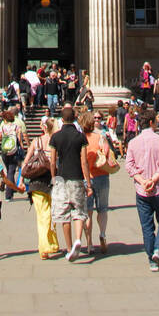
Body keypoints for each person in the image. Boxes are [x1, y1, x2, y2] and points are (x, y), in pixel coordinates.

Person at [126, 109, 159, 272]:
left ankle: (152, 260)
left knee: (147, 226)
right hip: (158, 188)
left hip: (141, 190)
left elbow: (129, 166)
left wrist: (143, 181)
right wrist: (154, 179)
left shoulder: (133, 143)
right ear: (152, 123)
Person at [49, 105, 93, 261]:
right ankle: (79, 239)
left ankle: (68, 248)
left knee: (64, 214)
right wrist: (88, 183)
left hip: (61, 178)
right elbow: (84, 162)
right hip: (76, 177)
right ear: (74, 118)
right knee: (79, 211)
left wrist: (54, 178)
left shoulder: (55, 137)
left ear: (61, 120)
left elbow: (52, 161)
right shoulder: (80, 137)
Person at [22, 117, 59, 259]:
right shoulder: (55, 142)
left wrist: (21, 180)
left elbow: (26, 161)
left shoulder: (36, 141)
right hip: (51, 180)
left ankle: (51, 243)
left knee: (43, 215)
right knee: (50, 214)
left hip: (36, 181)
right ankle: (45, 246)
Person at [82, 112, 114, 254]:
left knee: (87, 211)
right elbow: (107, 154)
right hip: (102, 175)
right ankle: (102, 234)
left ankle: (89, 243)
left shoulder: (81, 139)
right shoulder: (101, 137)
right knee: (102, 209)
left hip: (86, 178)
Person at [0, 109, 24, 200]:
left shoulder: (3, 127)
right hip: (14, 150)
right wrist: (22, 148)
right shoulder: (16, 127)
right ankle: (9, 194)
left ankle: (10, 191)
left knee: (8, 170)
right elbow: (19, 140)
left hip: (5, 151)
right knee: (11, 171)